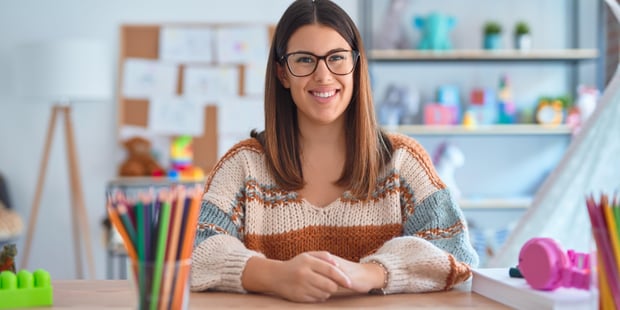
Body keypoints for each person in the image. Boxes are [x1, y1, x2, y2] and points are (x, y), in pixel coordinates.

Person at [190, 0, 479, 303]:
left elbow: (456, 254)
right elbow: (194, 251)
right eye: (304, 60)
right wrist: (277, 276)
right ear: (282, 73)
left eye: (337, 58)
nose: (323, 76)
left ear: (356, 65)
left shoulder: (402, 161)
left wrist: (368, 274)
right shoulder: (243, 165)